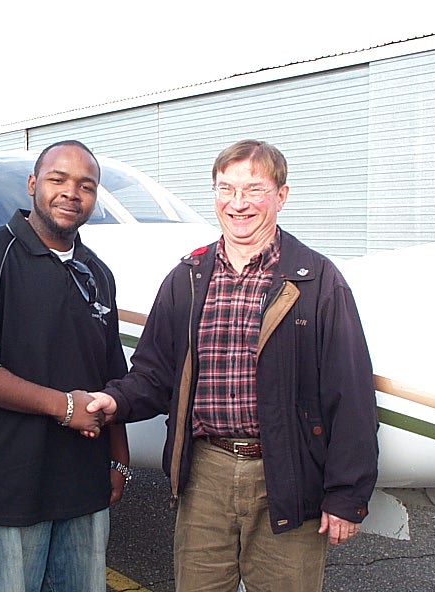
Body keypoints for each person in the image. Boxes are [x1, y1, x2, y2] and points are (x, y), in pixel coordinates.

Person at [87, 139, 378, 591]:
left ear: (281, 196)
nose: (238, 204)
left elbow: (351, 395)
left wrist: (347, 494)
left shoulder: (319, 280)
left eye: (254, 190)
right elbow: (153, 373)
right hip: (204, 473)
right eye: (226, 189)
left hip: (288, 472)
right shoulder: (187, 277)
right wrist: (113, 400)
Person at [0, 140, 129, 592]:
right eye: (57, 180)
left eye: (86, 185)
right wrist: (63, 406)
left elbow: (111, 374)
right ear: (32, 185)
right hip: (4, 488)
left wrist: (119, 461)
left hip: (82, 489)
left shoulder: (96, 273)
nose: (71, 193)